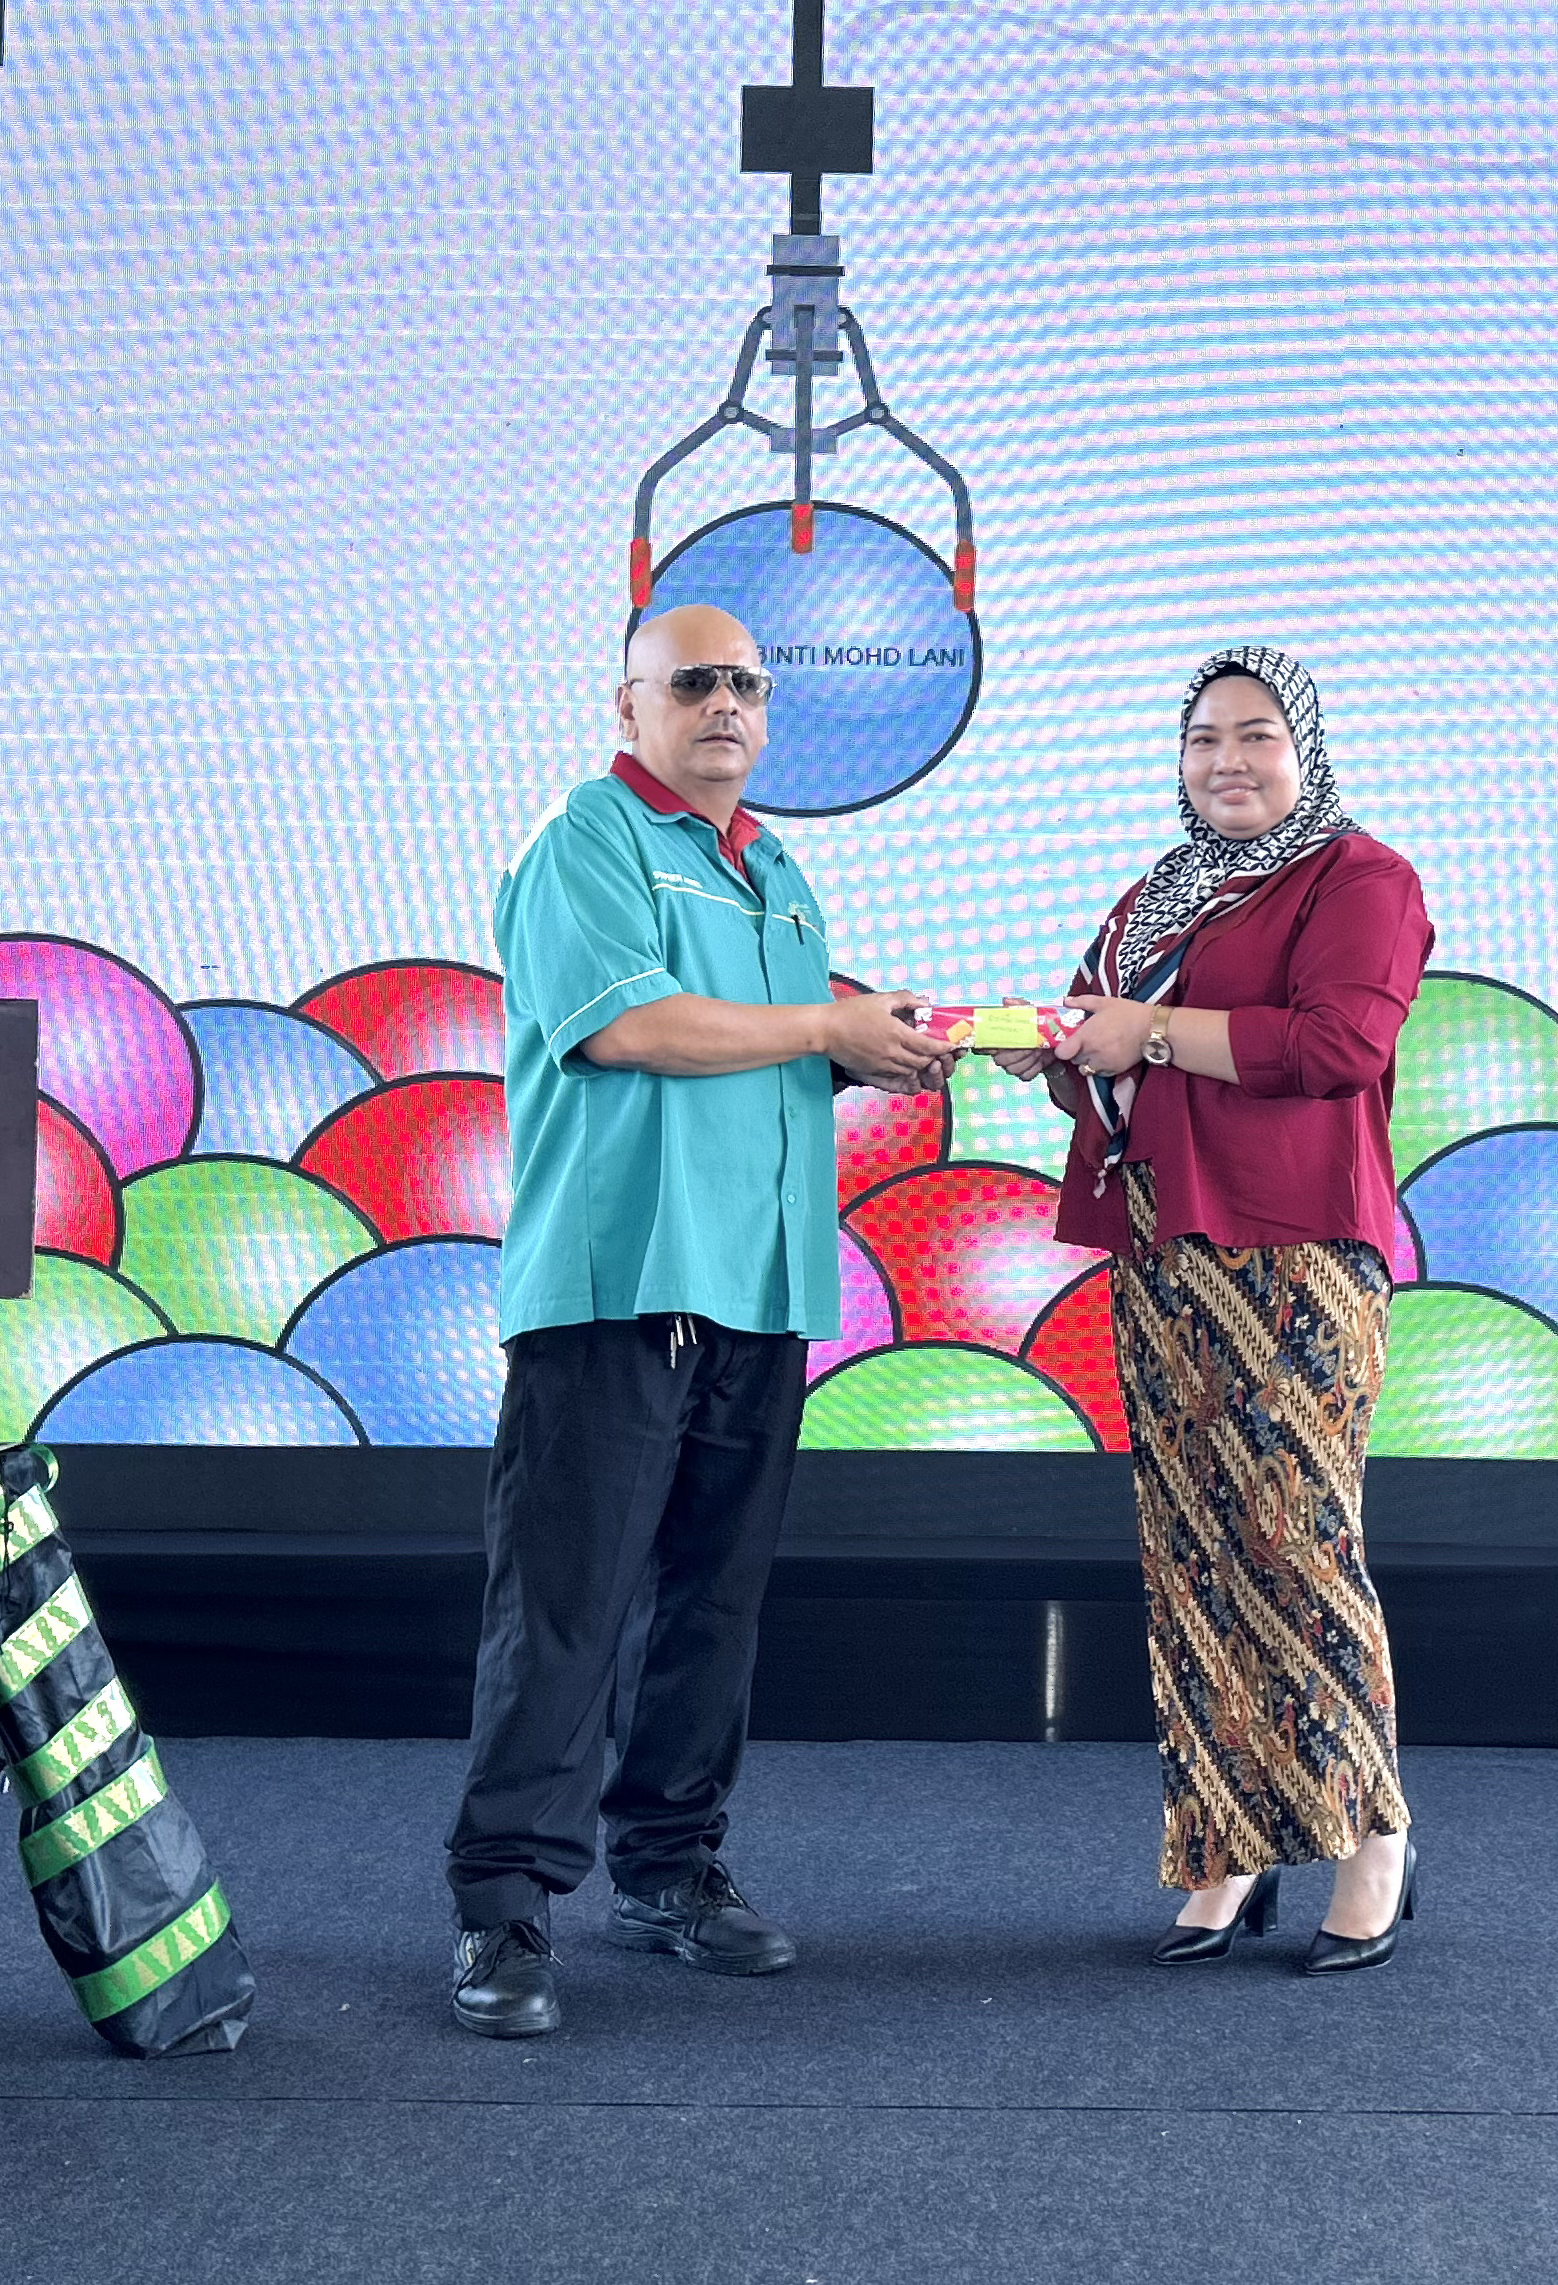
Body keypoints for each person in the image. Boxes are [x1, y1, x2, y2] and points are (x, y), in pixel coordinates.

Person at [444, 604, 957, 2038]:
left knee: (710, 1608)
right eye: (692, 683)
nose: (724, 702)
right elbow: (631, 1027)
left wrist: (873, 1049)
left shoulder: (774, 868)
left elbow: (767, 1045)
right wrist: (828, 1027)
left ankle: (668, 1868)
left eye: (746, 683)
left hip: (761, 1284)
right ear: (630, 706)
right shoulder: (588, 838)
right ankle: (502, 1906)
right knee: (565, 1607)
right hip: (622, 1284)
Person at [998, 644, 1432, 1974]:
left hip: (1295, 1250)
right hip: (1161, 1246)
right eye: (1203, 740)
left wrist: (1145, 1032)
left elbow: (1338, 1045)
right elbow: (1124, 1057)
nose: (1227, 761)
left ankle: (1372, 1843)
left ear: (1308, 750)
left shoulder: (1360, 878)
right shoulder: (1161, 893)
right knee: (1191, 1554)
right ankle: (1225, 1847)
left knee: (1295, 1541)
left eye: (1257, 736)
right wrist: (1055, 1053)